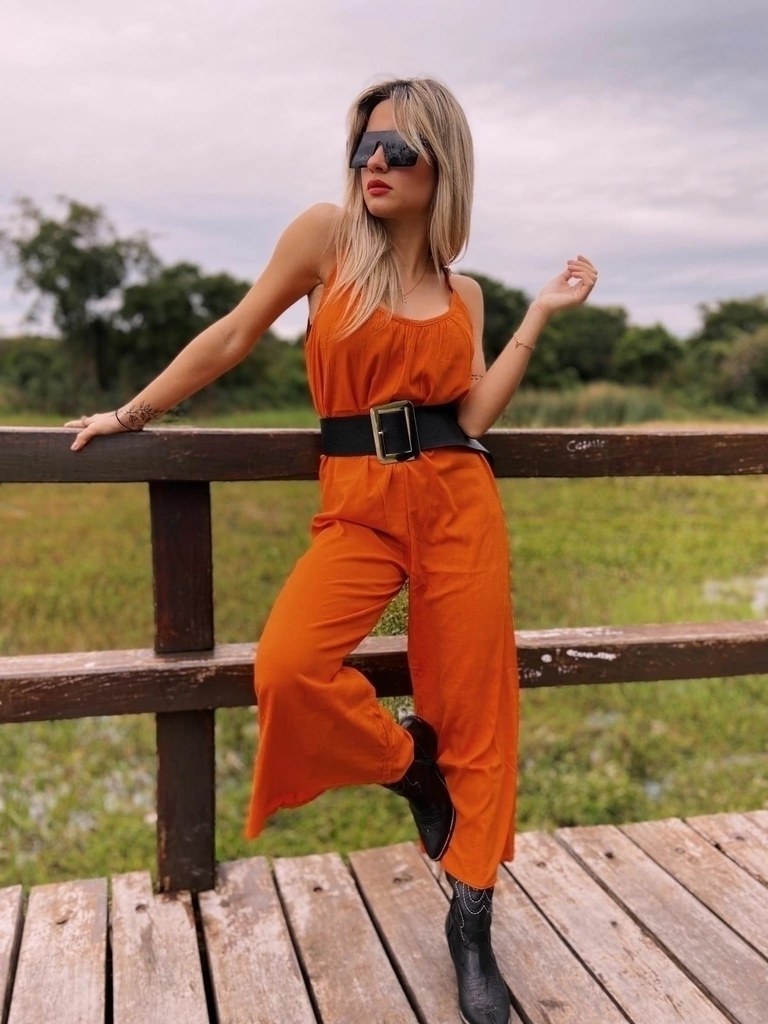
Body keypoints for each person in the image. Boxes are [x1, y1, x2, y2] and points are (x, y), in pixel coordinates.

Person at [67, 76, 597, 1024]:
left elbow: (473, 414)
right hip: (357, 503)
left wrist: (539, 318)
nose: (375, 164)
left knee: (477, 711)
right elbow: (234, 333)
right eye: (364, 147)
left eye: (399, 149)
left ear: (444, 165)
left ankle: (471, 920)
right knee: (289, 666)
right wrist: (130, 413)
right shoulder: (326, 238)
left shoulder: (465, 292)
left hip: (457, 500)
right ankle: (412, 769)